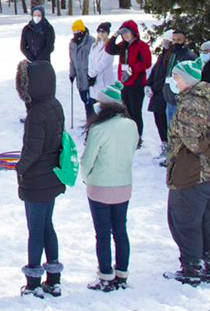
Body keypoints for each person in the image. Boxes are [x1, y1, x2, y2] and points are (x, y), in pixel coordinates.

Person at [163, 60, 210, 286]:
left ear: (186, 79)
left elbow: (193, 141)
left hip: (193, 173)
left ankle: (191, 267)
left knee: (185, 222)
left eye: (176, 78)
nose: (174, 82)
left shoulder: (190, 103)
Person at [15, 60, 66, 298]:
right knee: (47, 225)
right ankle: (53, 278)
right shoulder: (55, 104)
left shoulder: (36, 112)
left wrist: (20, 168)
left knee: (35, 229)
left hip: (36, 178)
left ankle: (34, 281)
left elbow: (33, 149)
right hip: (52, 175)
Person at [80, 85, 137, 292]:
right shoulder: (131, 125)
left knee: (103, 234)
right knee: (121, 230)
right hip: (124, 185)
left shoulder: (98, 129)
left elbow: (87, 161)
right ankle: (122, 273)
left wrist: (87, 179)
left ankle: (105, 275)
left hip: (100, 187)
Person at [108, 20, 152, 140]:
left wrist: (132, 70)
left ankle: (137, 137)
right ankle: (128, 135)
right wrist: (115, 36)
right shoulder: (123, 46)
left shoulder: (142, 46)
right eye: (123, 33)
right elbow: (109, 50)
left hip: (136, 84)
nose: (125, 35)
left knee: (135, 112)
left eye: (127, 32)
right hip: (124, 83)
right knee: (125, 111)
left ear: (134, 33)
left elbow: (147, 63)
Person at [147, 31, 176, 157]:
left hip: (164, 94)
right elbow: (154, 72)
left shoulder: (173, 57)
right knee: (158, 119)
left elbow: (167, 76)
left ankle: (169, 148)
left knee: (165, 121)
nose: (164, 43)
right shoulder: (162, 56)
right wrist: (148, 84)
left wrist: (154, 87)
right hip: (156, 94)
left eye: (167, 41)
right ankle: (164, 144)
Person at [68, 20, 94, 117]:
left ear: (82, 30)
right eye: (74, 31)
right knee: (85, 100)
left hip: (90, 77)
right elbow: (72, 61)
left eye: (78, 31)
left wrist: (93, 75)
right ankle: (89, 120)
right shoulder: (72, 44)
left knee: (92, 102)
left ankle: (93, 122)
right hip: (80, 78)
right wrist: (72, 74)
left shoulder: (91, 41)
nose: (76, 34)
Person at [87, 23, 118, 97]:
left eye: (103, 31)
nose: (101, 33)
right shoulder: (94, 45)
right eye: (99, 31)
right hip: (95, 81)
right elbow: (90, 60)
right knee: (96, 105)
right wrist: (90, 73)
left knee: (105, 105)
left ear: (107, 33)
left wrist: (92, 74)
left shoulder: (109, 46)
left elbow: (103, 63)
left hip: (105, 80)